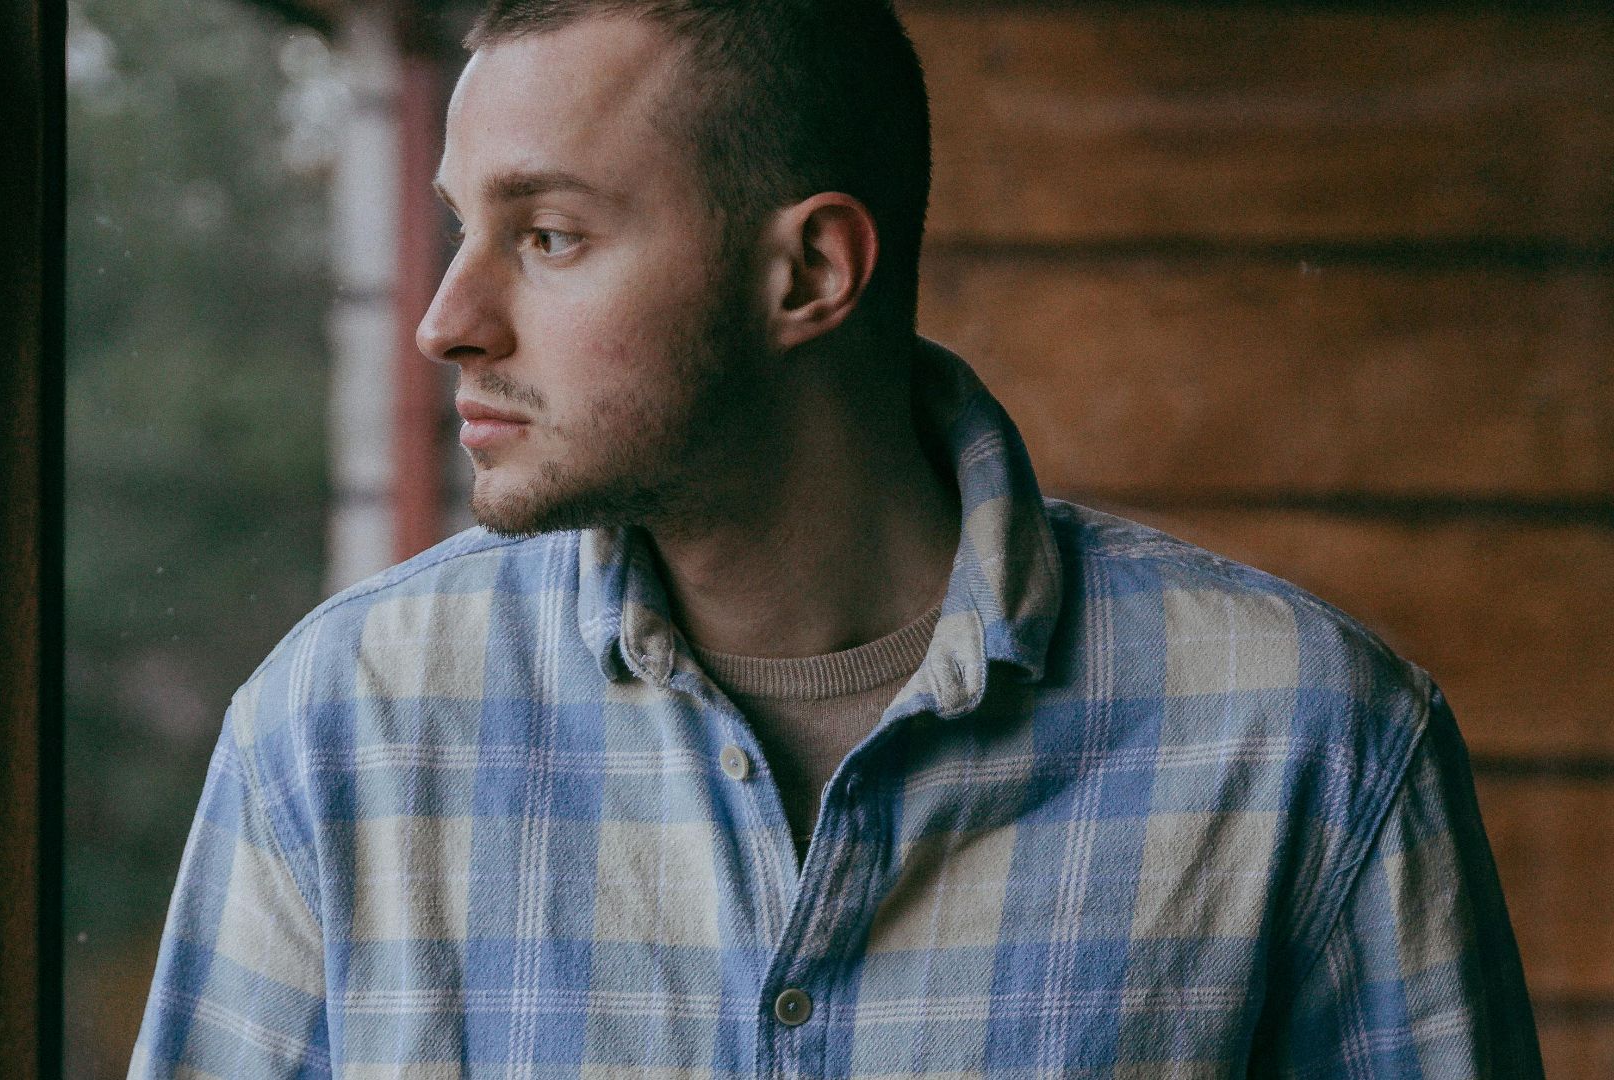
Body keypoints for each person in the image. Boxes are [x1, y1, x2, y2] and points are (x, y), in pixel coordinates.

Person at [129, 1, 1544, 1075]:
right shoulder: (339, 728)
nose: (449, 319)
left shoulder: (1309, 743)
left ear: (808, 271)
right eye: (459, 230)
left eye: (547, 236)